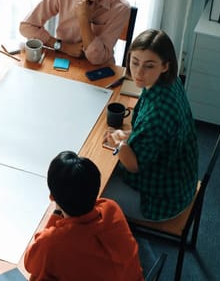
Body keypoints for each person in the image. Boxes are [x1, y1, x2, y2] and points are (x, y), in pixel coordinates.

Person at [102, 29, 198, 221]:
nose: (138, 72)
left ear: (164, 66)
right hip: (181, 179)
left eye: (149, 66)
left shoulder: (157, 115)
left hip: (162, 200)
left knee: (91, 192)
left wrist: (118, 144)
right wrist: (131, 136)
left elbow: (133, 165)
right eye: (135, 62)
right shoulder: (170, 81)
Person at [24, 151, 143, 281]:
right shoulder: (111, 207)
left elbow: (30, 263)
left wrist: (56, 214)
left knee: (38, 276)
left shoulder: (52, 243)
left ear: (52, 197)